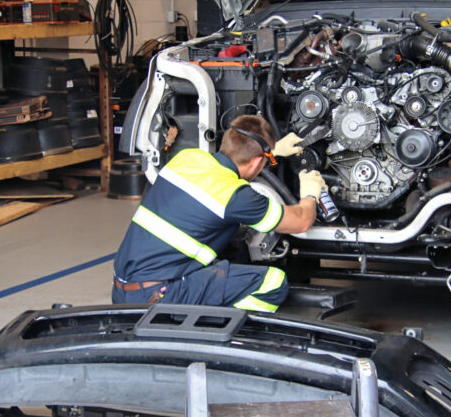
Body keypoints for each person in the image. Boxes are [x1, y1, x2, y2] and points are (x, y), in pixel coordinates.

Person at [111, 115, 326, 312]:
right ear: (257, 161)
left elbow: (236, 162)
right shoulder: (235, 195)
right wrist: (310, 193)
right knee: (273, 282)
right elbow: (301, 222)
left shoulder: (186, 158)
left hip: (122, 291)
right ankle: (218, 333)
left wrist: (273, 151)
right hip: (158, 296)